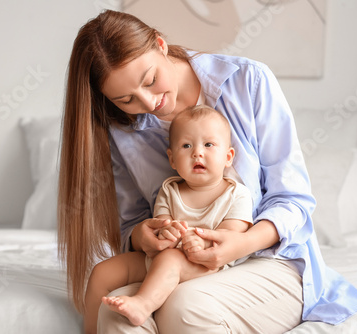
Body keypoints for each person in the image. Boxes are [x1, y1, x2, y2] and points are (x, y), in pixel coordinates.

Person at [58, 9, 357, 333]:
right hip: (177, 261)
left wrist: (239, 244)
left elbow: (293, 200)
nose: (149, 103)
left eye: (150, 81)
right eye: (126, 100)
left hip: (269, 259)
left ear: (161, 45)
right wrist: (144, 236)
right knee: (115, 315)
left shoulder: (248, 81)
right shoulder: (123, 130)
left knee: (186, 306)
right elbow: (132, 222)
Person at [84, 105, 253, 333]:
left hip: (207, 266)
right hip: (163, 258)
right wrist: (165, 232)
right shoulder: (169, 190)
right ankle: (89, 330)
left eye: (209, 144)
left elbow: (231, 236)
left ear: (228, 157)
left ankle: (143, 304)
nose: (197, 153)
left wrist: (202, 243)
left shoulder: (237, 194)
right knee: (101, 272)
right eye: (186, 146)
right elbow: (161, 225)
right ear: (172, 159)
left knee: (171, 259)